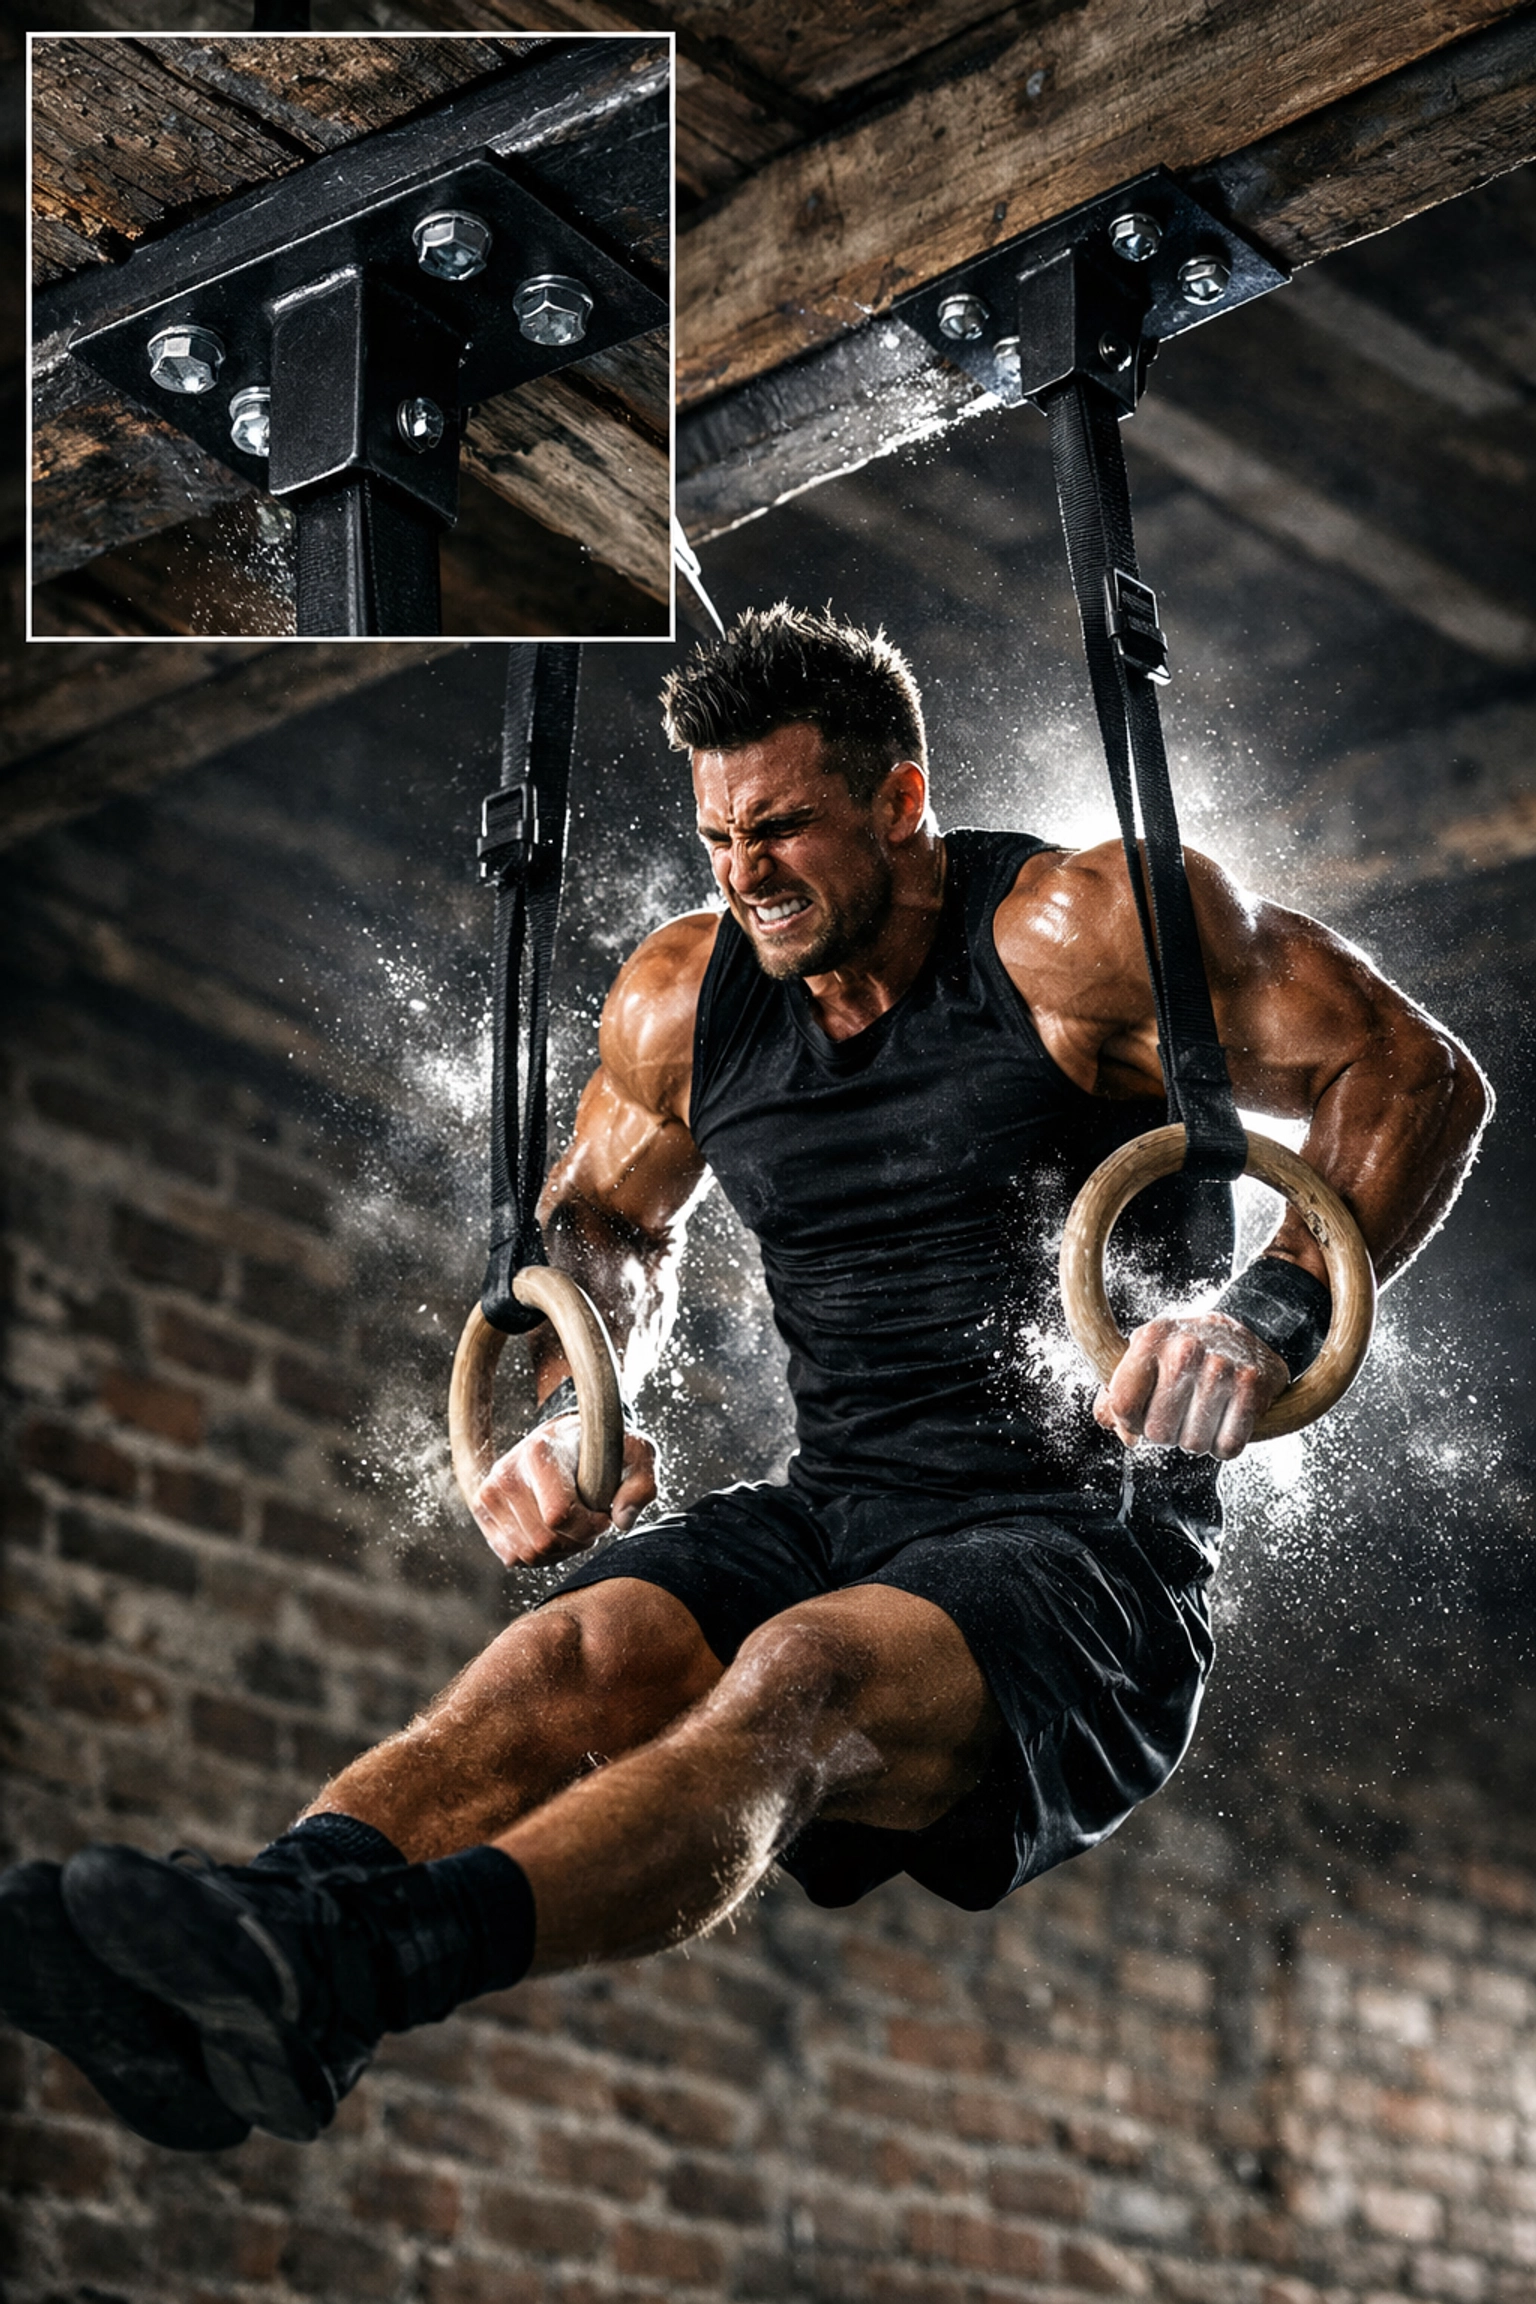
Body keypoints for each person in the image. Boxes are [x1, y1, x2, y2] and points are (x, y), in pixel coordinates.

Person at [0, 607, 1489, 2152]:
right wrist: (583, 1406)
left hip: (1079, 1549)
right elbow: (606, 1228)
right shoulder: (683, 999)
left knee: (800, 1680)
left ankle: (356, 1967)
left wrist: (1264, 1310)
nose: (745, 872)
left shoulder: (1076, 933)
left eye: (781, 827)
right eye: (719, 834)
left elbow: (1414, 1076)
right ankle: (265, 1932)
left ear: (900, 805)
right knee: (561, 1660)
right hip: (839, 1500)